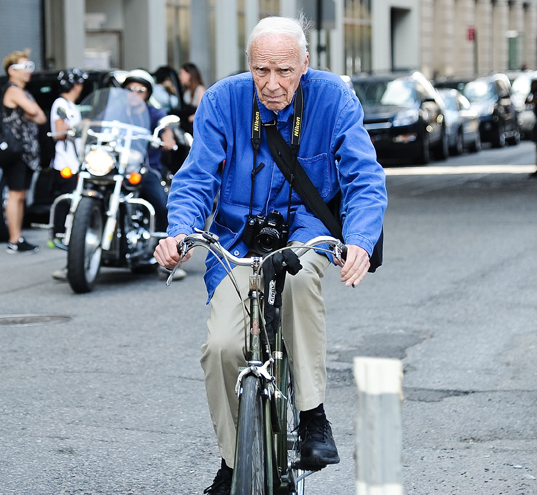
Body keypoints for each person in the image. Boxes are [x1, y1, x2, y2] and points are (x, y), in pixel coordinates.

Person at [154, 16, 386, 494]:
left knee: (300, 279)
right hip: (236, 238)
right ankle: (234, 460)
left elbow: (365, 177)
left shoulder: (333, 98)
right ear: (248, 65)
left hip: (307, 228)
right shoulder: (221, 100)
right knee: (220, 346)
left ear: (305, 64)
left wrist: (360, 240)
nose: (272, 83)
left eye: (284, 71)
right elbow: (197, 177)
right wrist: (179, 234)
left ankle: (312, 414)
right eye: (261, 70)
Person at [122, 70, 187, 282]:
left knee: (161, 203)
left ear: (147, 93)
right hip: (117, 167)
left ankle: (167, 261)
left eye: (140, 90)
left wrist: (167, 139)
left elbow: (165, 127)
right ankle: (74, 259)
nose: (134, 93)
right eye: (130, 89)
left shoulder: (153, 112)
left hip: (144, 168)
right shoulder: (116, 110)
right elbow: (95, 122)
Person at [1, 50, 47, 254]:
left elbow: (41, 117)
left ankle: (18, 236)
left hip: (28, 151)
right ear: (12, 71)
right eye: (25, 67)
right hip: (16, 151)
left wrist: (31, 111)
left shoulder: (24, 92)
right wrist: (30, 111)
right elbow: (33, 112)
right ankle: (14, 239)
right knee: (15, 193)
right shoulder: (13, 90)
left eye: (31, 67)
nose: (29, 72)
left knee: (22, 195)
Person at [49, 69, 85, 280]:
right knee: (69, 207)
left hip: (76, 162)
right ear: (76, 85)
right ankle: (62, 240)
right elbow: (59, 132)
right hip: (66, 163)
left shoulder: (70, 106)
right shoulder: (60, 104)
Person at [178, 62, 206, 133]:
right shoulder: (186, 91)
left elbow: (202, 111)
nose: (180, 77)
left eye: (182, 73)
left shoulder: (200, 90)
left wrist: (191, 118)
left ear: (189, 74)